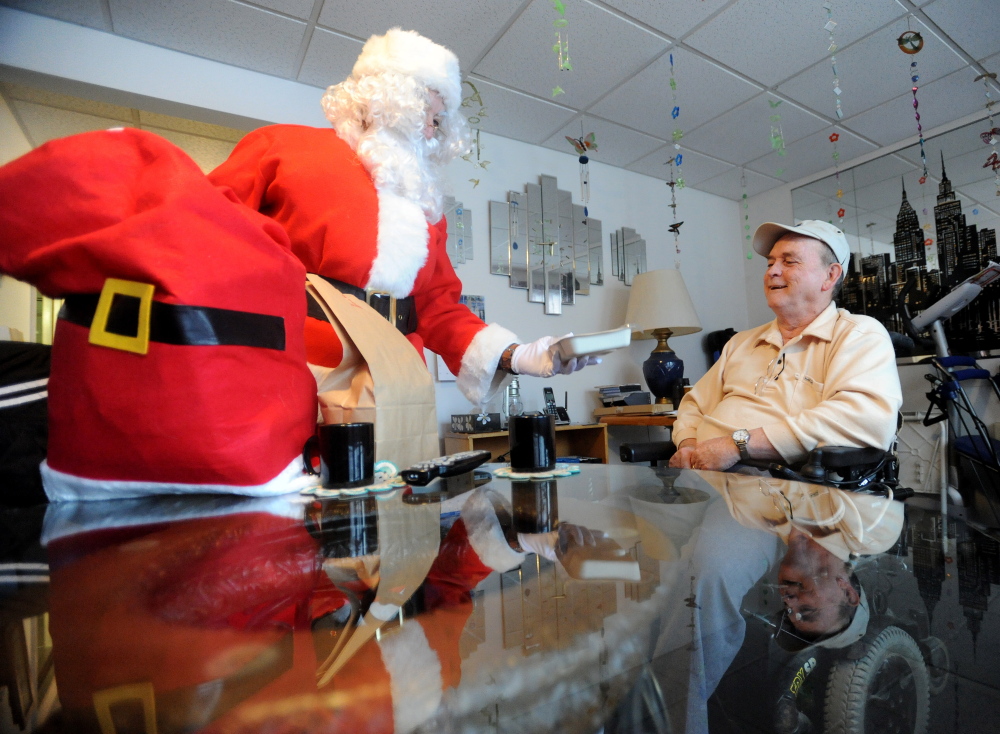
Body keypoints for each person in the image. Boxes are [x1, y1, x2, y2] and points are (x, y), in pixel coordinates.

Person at [208, 28, 595, 411]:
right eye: (423, 111)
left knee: (395, 473)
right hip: (295, 363)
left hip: (396, 378)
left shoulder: (426, 208)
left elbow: (438, 311)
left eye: (439, 120)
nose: (432, 129)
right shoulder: (283, 148)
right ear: (384, 98)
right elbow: (205, 237)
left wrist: (520, 355)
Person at [669, 220, 902, 472]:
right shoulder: (740, 343)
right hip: (701, 478)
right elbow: (694, 405)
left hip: (781, 491)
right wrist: (688, 445)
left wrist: (736, 445)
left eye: (789, 262)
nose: (772, 271)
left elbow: (865, 420)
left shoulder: (857, 334)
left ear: (830, 275)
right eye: (770, 263)